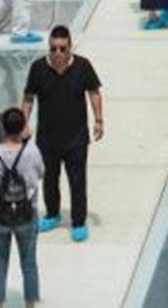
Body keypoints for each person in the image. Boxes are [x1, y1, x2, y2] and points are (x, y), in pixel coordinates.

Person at [22, 25, 102, 242]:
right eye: (54, 48)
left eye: (62, 49)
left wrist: (98, 120)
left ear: (70, 47)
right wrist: (24, 123)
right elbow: (28, 97)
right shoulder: (38, 68)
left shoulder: (83, 66)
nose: (58, 53)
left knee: (77, 180)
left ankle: (78, 221)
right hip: (48, 139)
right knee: (49, 179)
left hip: (76, 138)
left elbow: (94, 93)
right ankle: (53, 214)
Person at [0, 106, 43, 307]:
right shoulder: (31, 151)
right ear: (23, 127)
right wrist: (27, 141)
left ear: (3, 127)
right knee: (29, 263)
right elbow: (40, 173)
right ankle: (30, 304)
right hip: (26, 214)